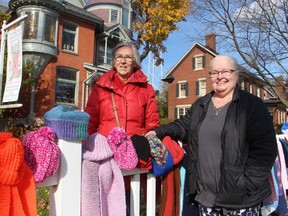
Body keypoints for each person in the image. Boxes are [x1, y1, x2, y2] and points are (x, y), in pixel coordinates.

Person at [146, 55, 278, 215]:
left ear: (236, 74)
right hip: (206, 199)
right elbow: (183, 125)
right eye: (214, 72)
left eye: (225, 71)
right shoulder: (201, 105)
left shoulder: (252, 106)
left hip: (241, 201)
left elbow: (265, 150)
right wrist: (156, 132)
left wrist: (246, 184)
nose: (220, 76)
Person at [84, 40, 160, 214]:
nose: (123, 61)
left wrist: (149, 140)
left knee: (130, 201)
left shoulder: (146, 89)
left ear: (135, 62)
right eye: (119, 57)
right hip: (106, 154)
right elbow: (91, 120)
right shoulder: (100, 88)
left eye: (128, 57)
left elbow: (152, 122)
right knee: (106, 200)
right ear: (114, 61)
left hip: (134, 153)